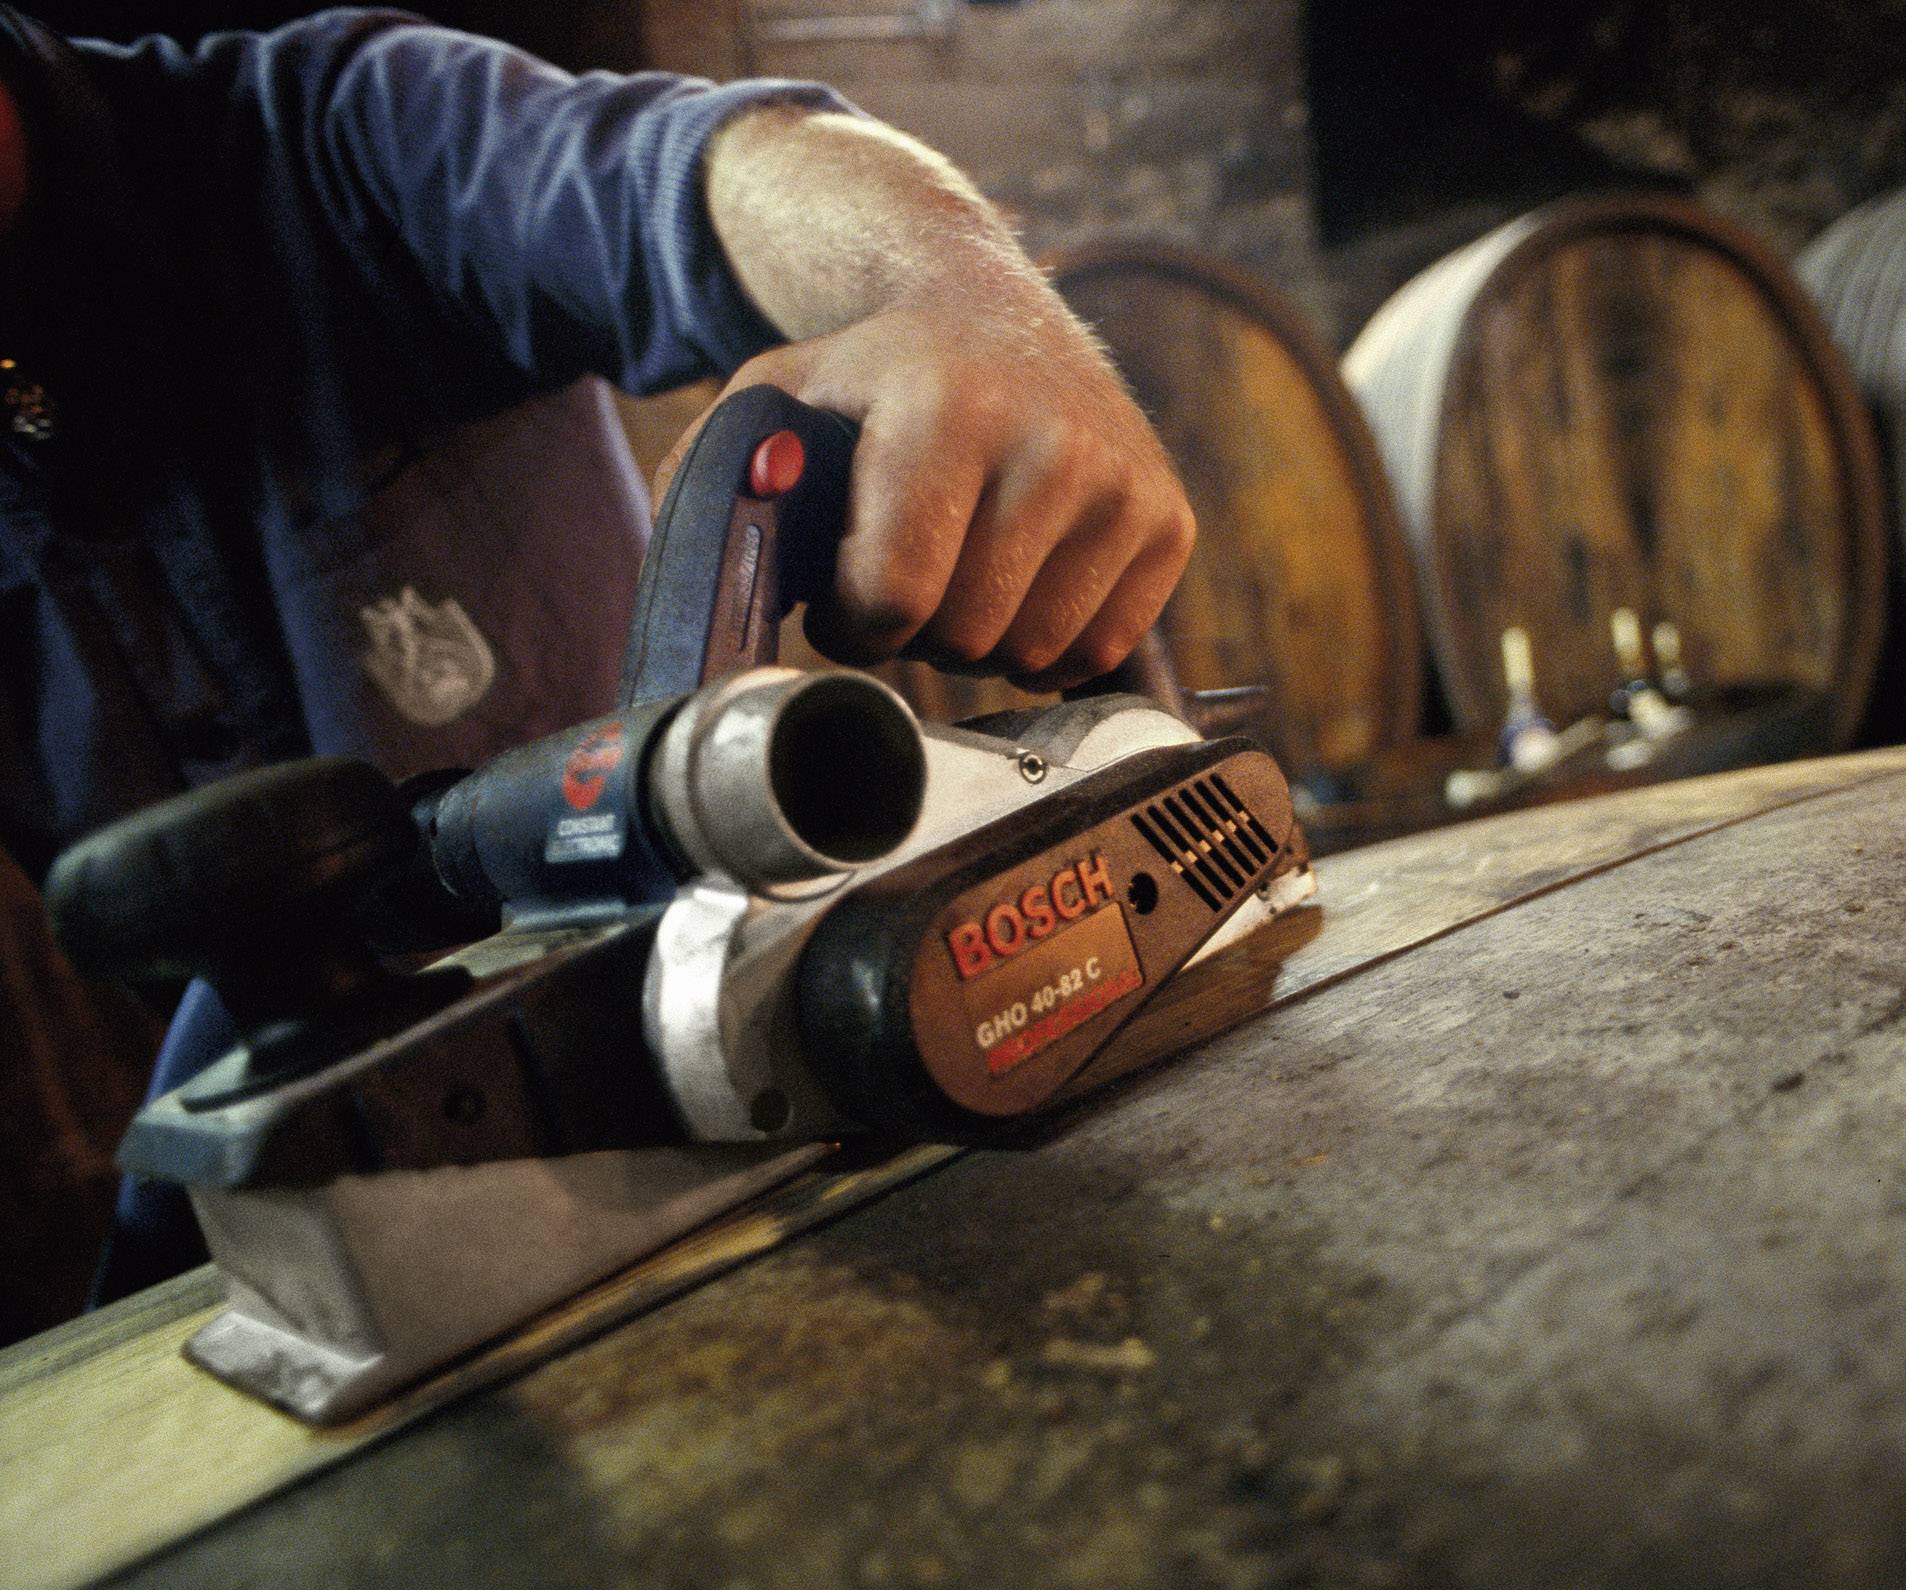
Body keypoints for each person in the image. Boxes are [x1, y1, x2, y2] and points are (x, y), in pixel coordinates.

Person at [0, 6, 1197, 1317]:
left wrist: (954, 291)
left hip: (714, 1070)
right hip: (348, 1227)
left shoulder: (323, 140)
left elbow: (701, 178)